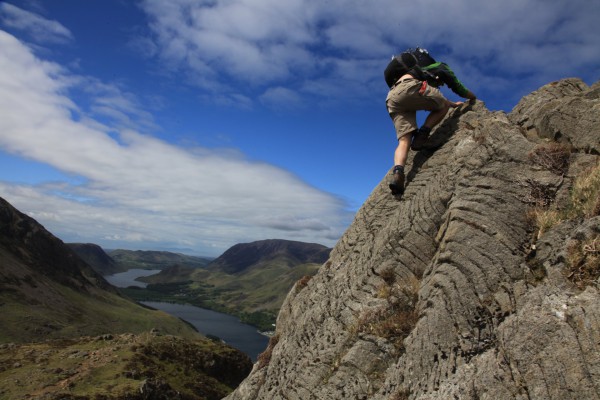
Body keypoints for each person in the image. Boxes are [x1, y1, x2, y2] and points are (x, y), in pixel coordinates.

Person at [384, 47, 476, 196]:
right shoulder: (439, 67)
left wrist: (450, 103)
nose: (439, 86)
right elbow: (459, 88)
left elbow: (435, 98)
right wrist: (473, 98)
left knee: (404, 141)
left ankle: (398, 172)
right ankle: (423, 134)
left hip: (392, 98)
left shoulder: (410, 73)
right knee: (443, 105)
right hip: (411, 88)